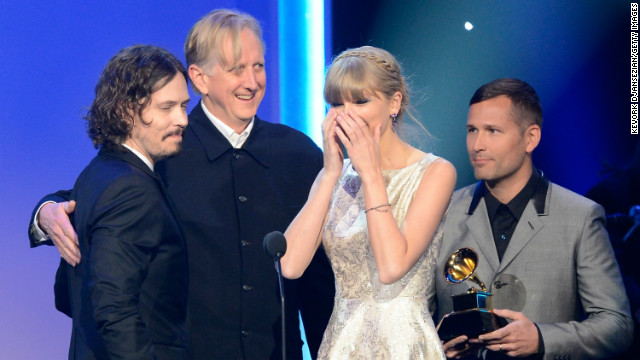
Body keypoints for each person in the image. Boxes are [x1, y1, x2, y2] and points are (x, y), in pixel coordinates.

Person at [27, 9, 334, 360]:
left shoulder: (300, 154)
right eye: (236, 69)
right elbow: (100, 193)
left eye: (258, 66)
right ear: (200, 79)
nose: (252, 82)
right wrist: (46, 212)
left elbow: (319, 283)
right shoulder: (165, 146)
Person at [427, 78, 634, 359]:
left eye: (493, 131)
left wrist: (541, 338)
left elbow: (617, 325)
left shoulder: (580, 217)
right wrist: (432, 347)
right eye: (472, 130)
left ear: (531, 138)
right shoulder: (442, 212)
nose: (477, 144)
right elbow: (413, 313)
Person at [281, 46, 456, 359]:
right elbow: (290, 265)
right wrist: (332, 172)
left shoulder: (435, 172)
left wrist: (371, 175)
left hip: (404, 343)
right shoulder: (332, 176)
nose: (346, 114)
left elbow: (391, 267)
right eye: (336, 103)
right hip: (342, 340)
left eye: (360, 101)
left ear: (394, 102)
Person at [56, 45, 190, 359]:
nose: (182, 119)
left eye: (184, 106)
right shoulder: (131, 189)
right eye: (167, 107)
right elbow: (114, 311)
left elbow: (67, 295)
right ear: (124, 111)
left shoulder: (95, 174)